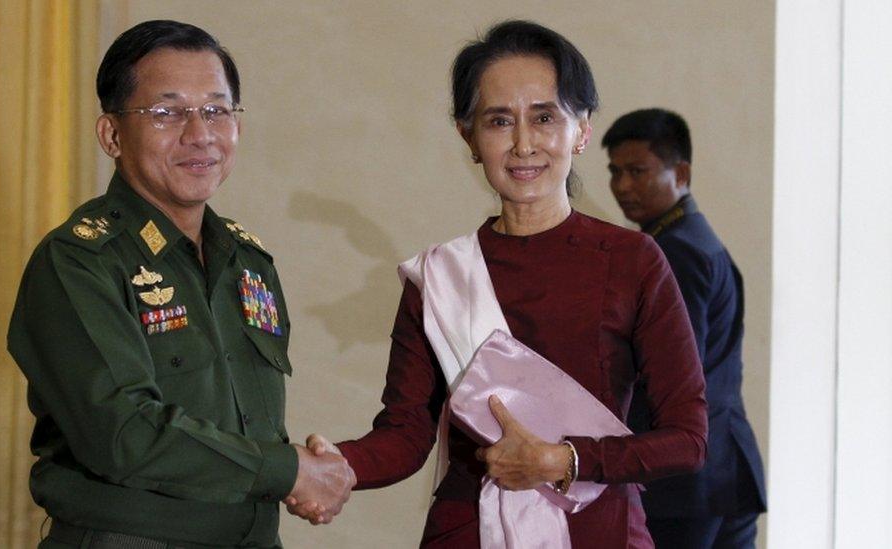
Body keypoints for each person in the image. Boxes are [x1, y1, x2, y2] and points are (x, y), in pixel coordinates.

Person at [286, 21, 707, 548]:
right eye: (500, 120)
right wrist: (338, 465)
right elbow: (406, 434)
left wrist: (562, 460)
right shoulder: (440, 276)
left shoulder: (633, 261)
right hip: (468, 532)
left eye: (545, 117)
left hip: (599, 531)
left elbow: (687, 441)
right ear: (470, 136)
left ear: (581, 130)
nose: (524, 143)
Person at [7, 20, 354, 548]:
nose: (200, 134)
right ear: (112, 134)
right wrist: (288, 471)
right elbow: (121, 434)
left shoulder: (247, 260)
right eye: (166, 113)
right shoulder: (78, 262)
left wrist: (303, 470)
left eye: (217, 110)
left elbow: (246, 423)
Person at [602, 108, 767, 548]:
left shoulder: (675, 252)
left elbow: (671, 373)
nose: (622, 186)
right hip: (722, 469)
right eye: (615, 172)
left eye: (638, 171)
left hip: (685, 483)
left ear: (682, 172)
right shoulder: (695, 239)